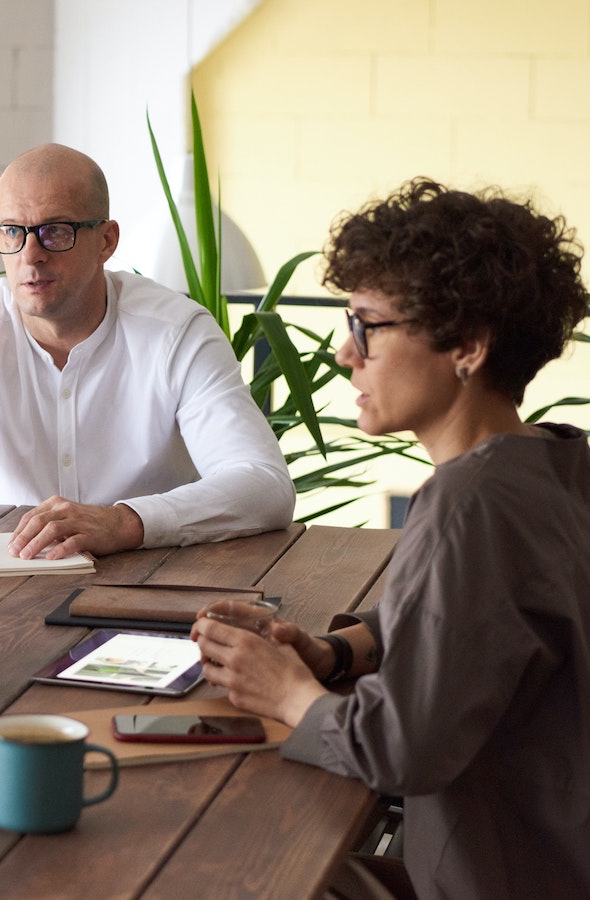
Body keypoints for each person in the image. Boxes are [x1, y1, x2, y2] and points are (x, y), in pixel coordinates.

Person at [192, 179, 590, 899]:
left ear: (467, 345)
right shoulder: (559, 461)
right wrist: (340, 650)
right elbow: (486, 617)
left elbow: (399, 750)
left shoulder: (468, 504)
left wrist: (287, 694)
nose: (348, 353)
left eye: (368, 325)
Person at [0, 143, 293, 561]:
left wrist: (122, 523)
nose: (30, 256)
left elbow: (264, 485)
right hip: (6, 582)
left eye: (55, 231)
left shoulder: (177, 333)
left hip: (154, 579)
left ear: (106, 241)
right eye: (12, 231)